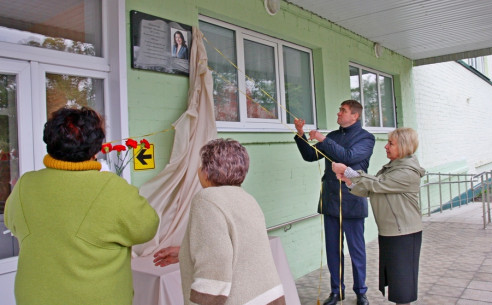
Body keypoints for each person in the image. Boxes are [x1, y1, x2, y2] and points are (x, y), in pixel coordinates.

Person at [4, 106, 159, 305]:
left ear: (50, 143)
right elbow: (147, 227)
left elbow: (11, 221)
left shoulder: (25, 184)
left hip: (33, 297)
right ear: (96, 148)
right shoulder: (111, 188)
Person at [153, 138, 286, 305]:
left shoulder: (206, 199)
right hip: (269, 296)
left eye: (201, 166)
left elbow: (215, 266)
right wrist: (184, 252)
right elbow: (238, 247)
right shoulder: (246, 198)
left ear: (207, 172)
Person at [294, 100, 375, 305]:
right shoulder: (333, 136)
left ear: (355, 116)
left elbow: (347, 157)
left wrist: (321, 138)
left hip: (353, 201)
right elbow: (311, 156)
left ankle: (361, 292)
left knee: (356, 251)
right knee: (332, 251)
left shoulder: (366, 138)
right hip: (331, 201)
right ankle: (336, 291)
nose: (338, 113)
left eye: (343, 111)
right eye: (339, 109)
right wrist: (301, 135)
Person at [332, 127, 425, 305]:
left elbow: (379, 184)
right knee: (396, 280)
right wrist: (349, 181)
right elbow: (373, 189)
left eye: (391, 143)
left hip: (404, 234)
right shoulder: (392, 168)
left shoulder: (407, 172)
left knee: (403, 284)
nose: (386, 147)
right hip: (391, 232)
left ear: (403, 147)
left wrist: (350, 171)